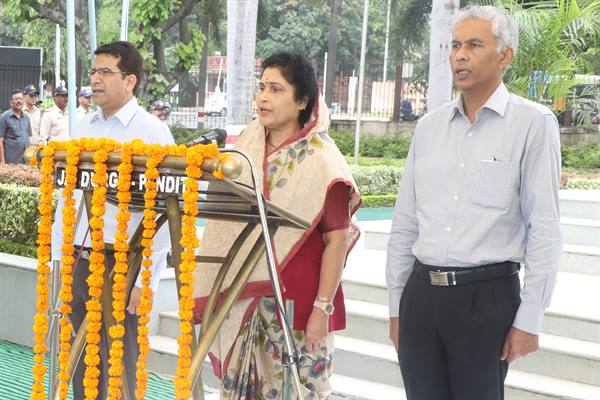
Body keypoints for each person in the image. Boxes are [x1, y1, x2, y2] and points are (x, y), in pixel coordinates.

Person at [385, 5, 562, 400]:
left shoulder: (533, 124)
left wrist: (530, 318)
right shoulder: (428, 128)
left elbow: (545, 227)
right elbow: (405, 223)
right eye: (455, 46)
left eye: (474, 45)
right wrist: (397, 306)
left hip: (486, 299)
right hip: (421, 297)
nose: (460, 56)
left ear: (505, 56)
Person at [193, 51, 361, 399]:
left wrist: (321, 310)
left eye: (276, 89)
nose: (263, 97)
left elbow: (337, 241)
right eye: (261, 87)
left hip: (298, 308)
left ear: (301, 100)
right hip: (242, 300)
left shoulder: (322, 161)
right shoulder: (244, 151)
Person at [51, 40, 174, 400]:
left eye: (106, 71)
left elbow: (165, 214)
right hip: (79, 257)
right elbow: (69, 198)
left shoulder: (152, 132)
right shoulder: (82, 127)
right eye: (94, 71)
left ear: (130, 80)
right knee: (80, 360)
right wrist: (60, 256)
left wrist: (147, 279)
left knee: (120, 359)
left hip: (126, 264)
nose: (95, 79)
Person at [0, 90, 32, 164]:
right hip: (11, 162)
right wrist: (2, 162)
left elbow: (28, 138)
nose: (19, 101)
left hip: (26, 162)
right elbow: (0, 141)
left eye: (21, 99)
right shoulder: (4, 117)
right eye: (16, 99)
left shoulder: (26, 117)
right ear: (11, 102)